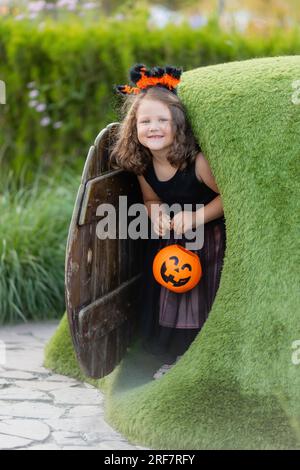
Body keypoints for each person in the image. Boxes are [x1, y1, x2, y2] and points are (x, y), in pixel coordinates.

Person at [110, 64, 226, 379]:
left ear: (178, 125)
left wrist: (196, 217)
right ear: (133, 127)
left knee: (197, 300)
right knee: (169, 297)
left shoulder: (197, 163)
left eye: (162, 120)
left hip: (207, 241)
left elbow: (228, 198)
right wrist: (155, 212)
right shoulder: (144, 165)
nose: (154, 127)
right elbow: (151, 199)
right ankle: (171, 355)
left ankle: (200, 356)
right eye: (145, 121)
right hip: (172, 240)